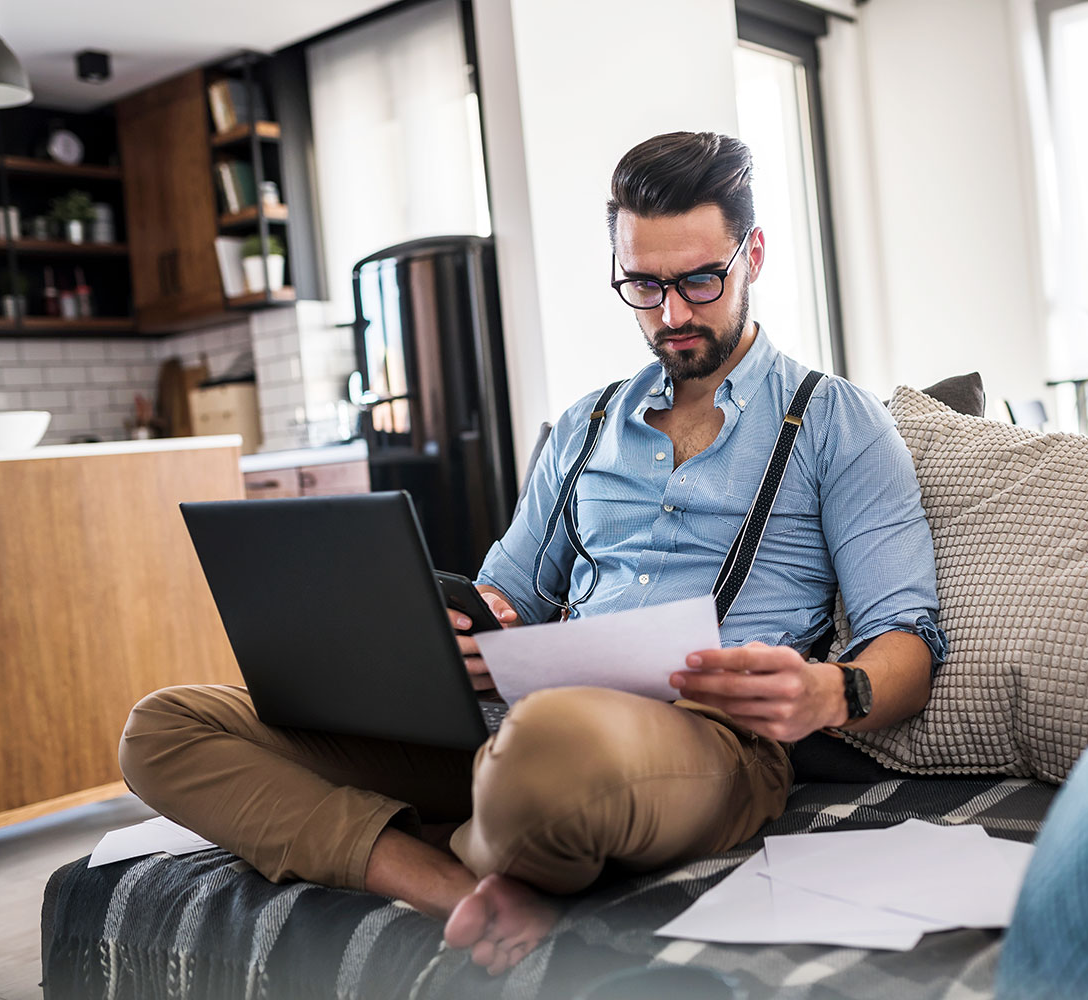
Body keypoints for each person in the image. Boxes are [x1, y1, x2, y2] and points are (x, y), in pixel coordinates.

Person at [118, 131, 944, 976]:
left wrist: (829, 691)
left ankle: (454, 826)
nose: (671, 315)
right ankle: (443, 877)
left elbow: (908, 638)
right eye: (642, 285)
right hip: (517, 730)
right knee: (163, 728)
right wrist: (459, 634)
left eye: (700, 280)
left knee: (549, 748)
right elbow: (504, 593)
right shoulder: (587, 426)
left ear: (754, 254)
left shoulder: (836, 419)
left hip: (707, 744)